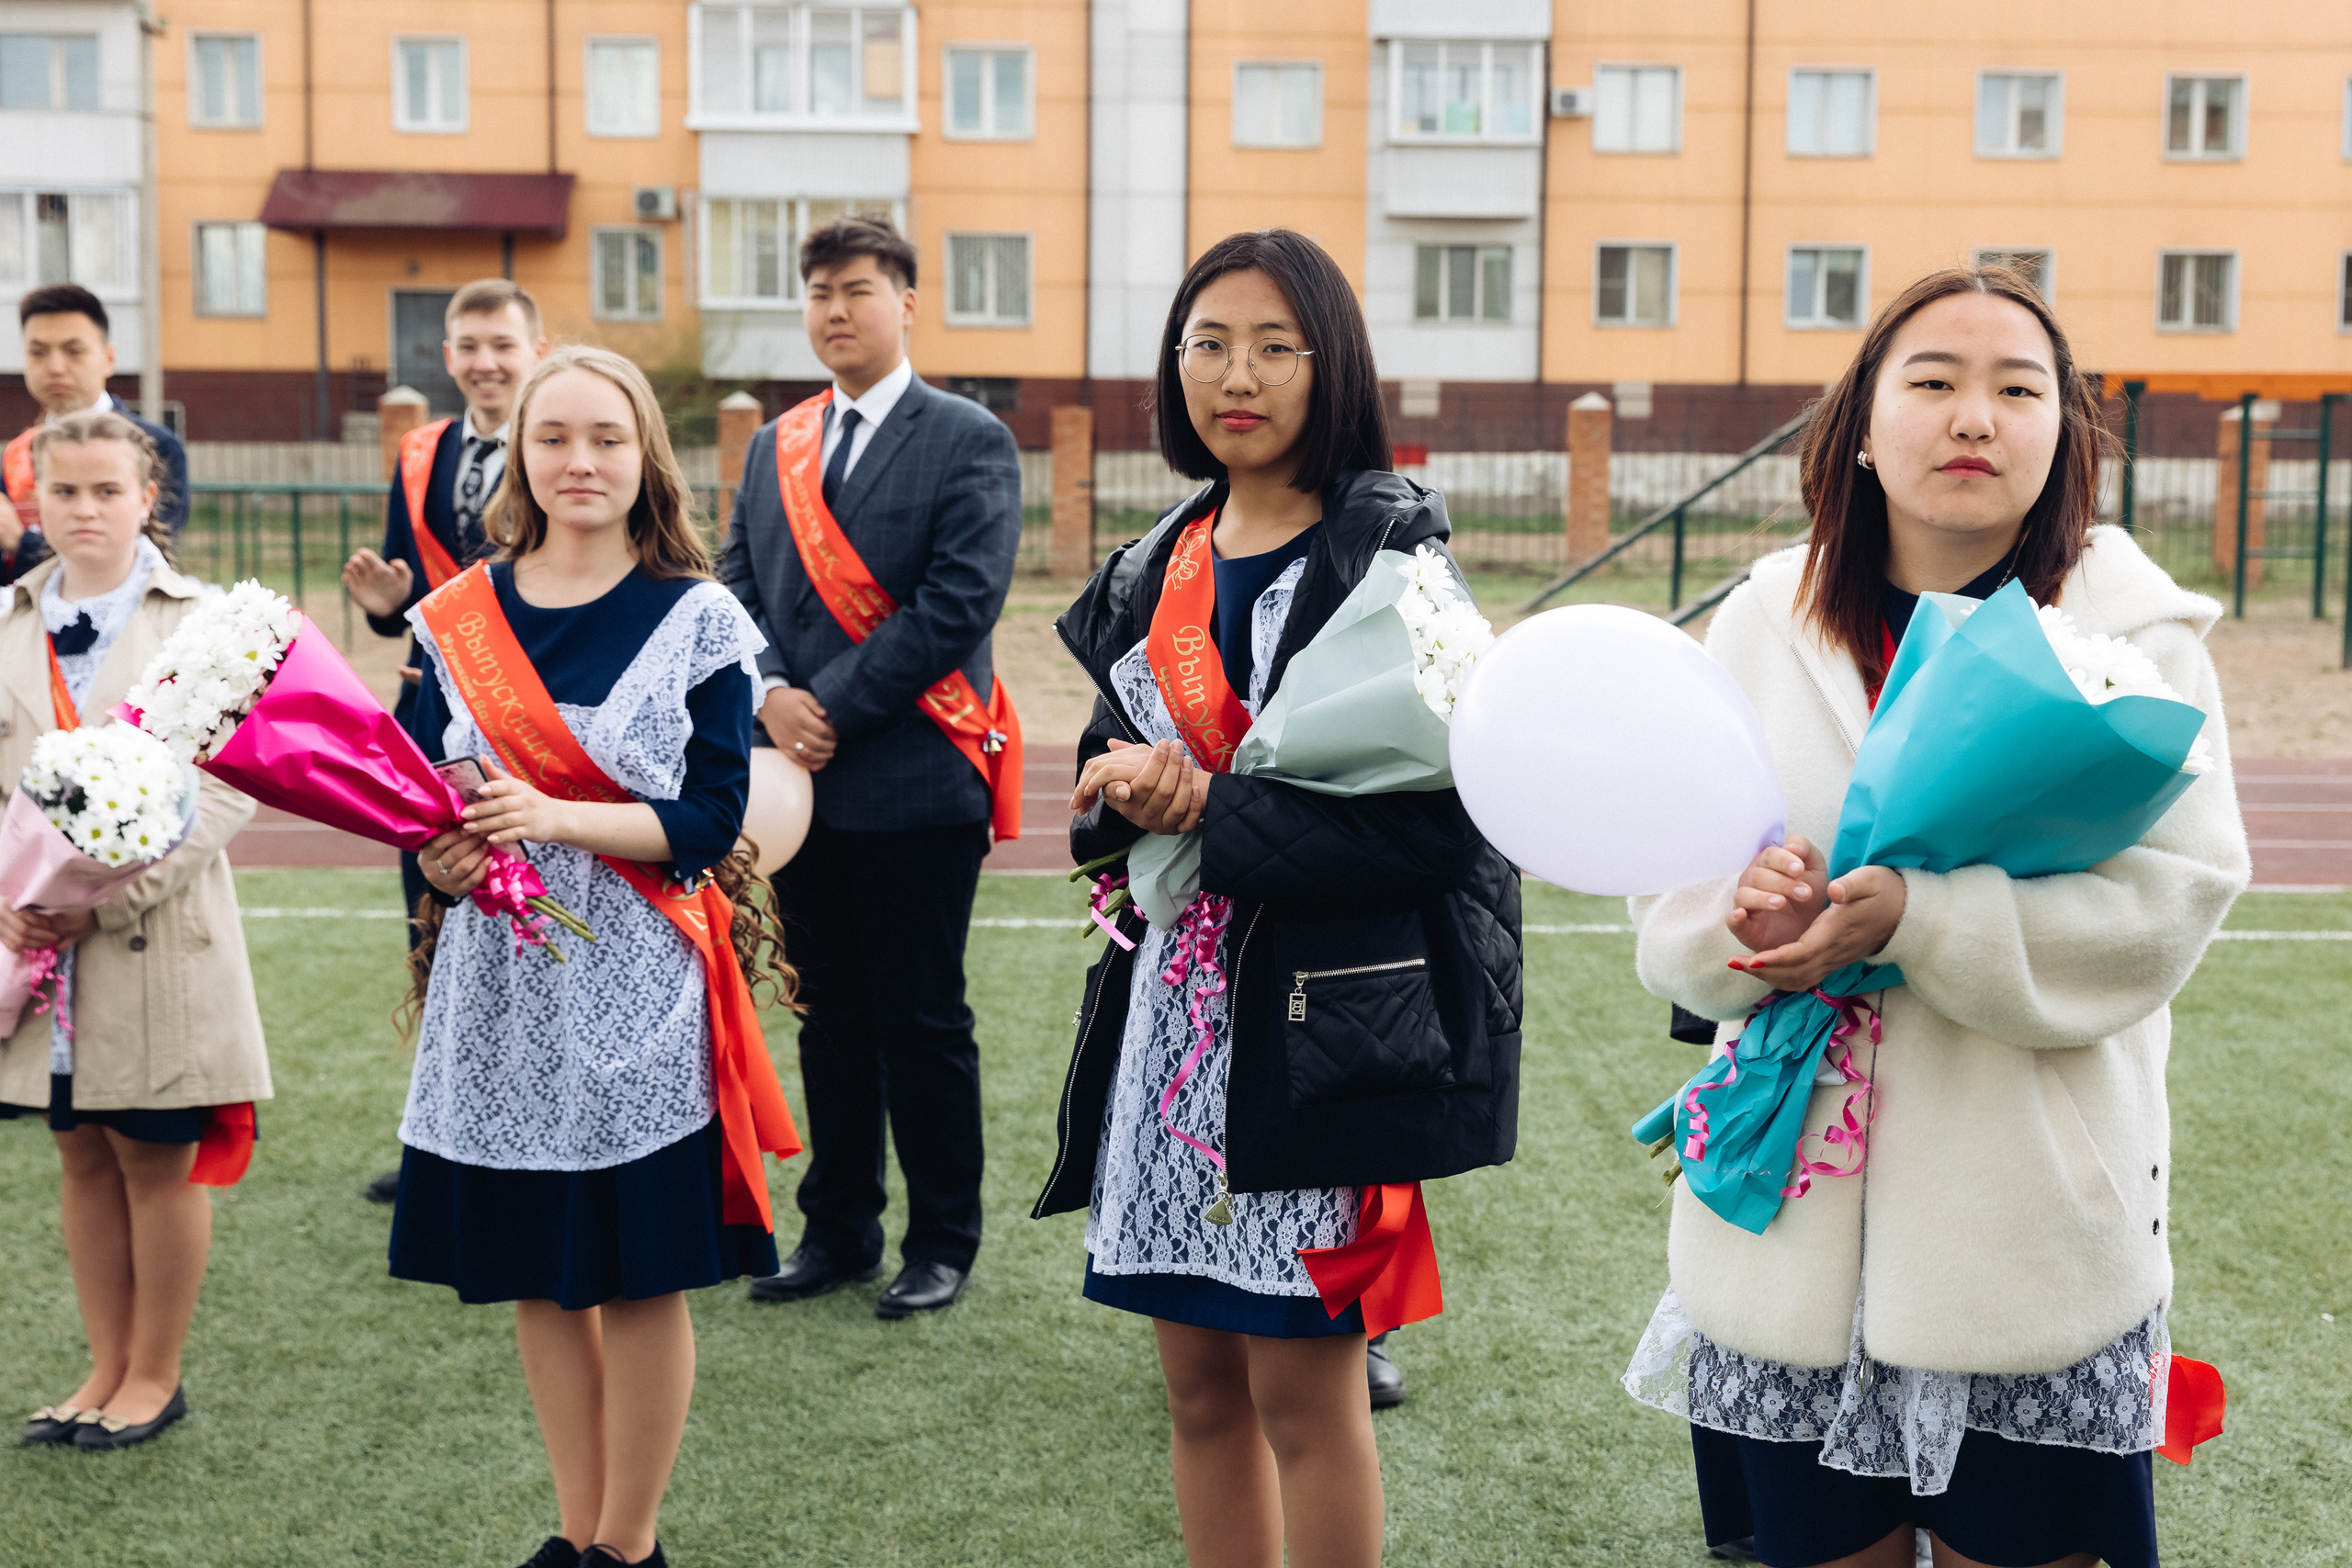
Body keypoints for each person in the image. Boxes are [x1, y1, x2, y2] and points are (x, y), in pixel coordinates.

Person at [1623, 265, 2251, 1568]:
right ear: (1860, 423)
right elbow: (1672, 902)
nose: (1977, 415)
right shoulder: (1758, 621)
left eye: (2019, 388)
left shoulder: (2133, 637)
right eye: (1935, 381)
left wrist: (1922, 916)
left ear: (2061, 434)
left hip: (2029, 1242)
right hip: (1786, 1238)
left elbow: (2170, 902)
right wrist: (1749, 919)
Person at [1035, 228, 1523, 1567]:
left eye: (1271, 345)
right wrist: (1112, 795)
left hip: (1323, 1025)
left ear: (1332, 363)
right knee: (1195, 1387)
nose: (1233, 374)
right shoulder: (1157, 561)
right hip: (1171, 1022)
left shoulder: (1390, 558)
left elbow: (1437, 829)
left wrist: (1207, 806)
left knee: (1304, 1393)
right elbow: (1104, 758)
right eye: (1206, 343)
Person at [397, 344, 800, 1568]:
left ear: (645, 460)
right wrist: (445, 862)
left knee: (636, 1278)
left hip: (639, 984)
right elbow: (418, 806)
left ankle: (630, 1543)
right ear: (518, 451)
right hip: (502, 990)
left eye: (607, 438)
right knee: (538, 1272)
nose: (580, 459)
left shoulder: (701, 618)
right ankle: (574, 1532)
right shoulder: (458, 616)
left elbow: (710, 820)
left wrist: (557, 816)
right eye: (555, 435)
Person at [719, 215, 1023, 1319]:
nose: (834, 311)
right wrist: (766, 693)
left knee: (923, 1019)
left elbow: (956, 603)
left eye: (855, 289)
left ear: (907, 304)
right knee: (826, 1013)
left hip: (917, 775)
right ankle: (837, 1228)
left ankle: (942, 1240)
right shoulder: (774, 445)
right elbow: (732, 586)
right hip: (798, 792)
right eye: (816, 294)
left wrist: (827, 706)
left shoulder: (968, 438)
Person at [1, 411, 269, 1450]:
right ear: (38, 501)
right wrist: (14, 891)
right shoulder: (11, 619)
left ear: (148, 498)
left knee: (155, 1159)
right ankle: (101, 1367)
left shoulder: (206, 623)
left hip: (155, 937)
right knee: (81, 1154)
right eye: (63, 492)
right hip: (40, 942)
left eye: (107, 491)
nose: (84, 510)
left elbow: (233, 792)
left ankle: (155, 1375)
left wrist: (101, 896)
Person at [343, 276, 546, 1206]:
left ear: (533, 348)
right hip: (431, 720)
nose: (484, 361)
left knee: (535, 919)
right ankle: (443, 1135)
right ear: (448, 355)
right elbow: (410, 600)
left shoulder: (561, 436)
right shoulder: (422, 448)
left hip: (536, 719)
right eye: (467, 345)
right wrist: (387, 613)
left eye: (501, 343)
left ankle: (538, 1128)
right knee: (431, 914)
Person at [2, 284, 189, 582]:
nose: (55, 367)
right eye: (38, 353)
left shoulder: (155, 446)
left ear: (109, 359)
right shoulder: (16, 454)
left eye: (74, 351)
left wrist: (18, 542)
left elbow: (143, 562)